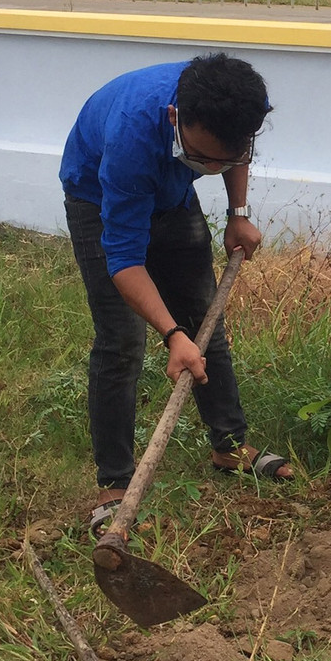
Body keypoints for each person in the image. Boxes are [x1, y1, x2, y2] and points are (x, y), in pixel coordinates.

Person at [61, 52, 292, 533]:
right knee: (122, 339)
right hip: (97, 194)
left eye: (222, 159)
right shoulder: (131, 138)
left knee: (207, 319)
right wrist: (172, 335)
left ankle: (228, 446)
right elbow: (124, 262)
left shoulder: (242, 102)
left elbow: (234, 151)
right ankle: (115, 485)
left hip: (170, 190)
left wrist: (238, 213)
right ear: (175, 118)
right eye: (203, 157)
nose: (213, 166)